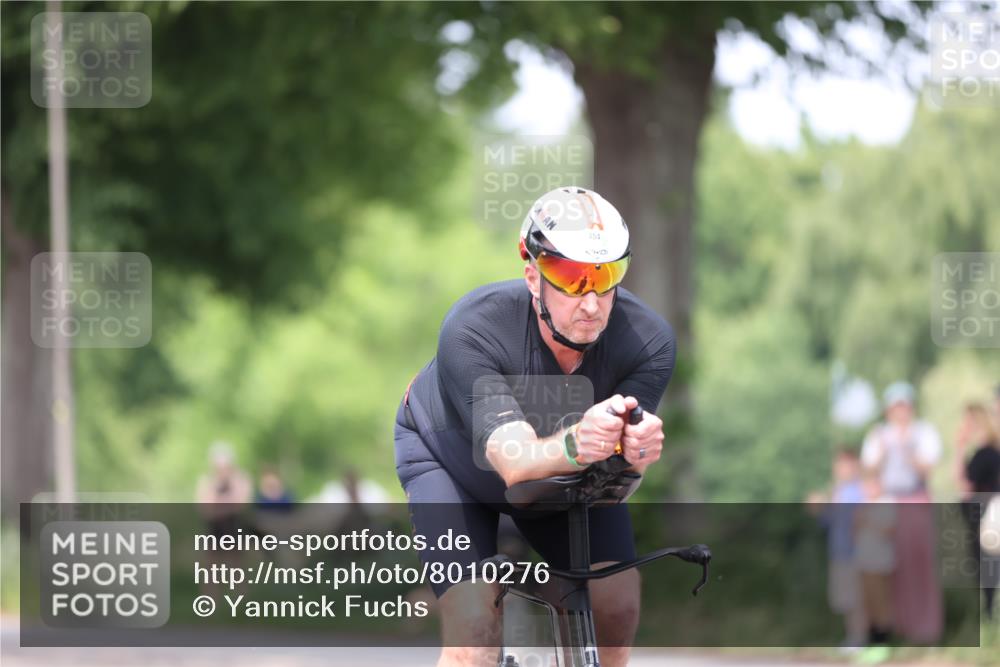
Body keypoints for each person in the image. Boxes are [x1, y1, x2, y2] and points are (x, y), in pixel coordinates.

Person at [394, 187, 673, 667]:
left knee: (618, 603)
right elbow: (514, 461)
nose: (591, 301)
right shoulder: (474, 326)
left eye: (606, 275)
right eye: (570, 276)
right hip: (451, 464)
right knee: (474, 629)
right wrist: (576, 442)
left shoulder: (647, 341)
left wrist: (635, 454)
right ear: (533, 276)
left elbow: (616, 484)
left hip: (564, 474)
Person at [861, 382, 943, 644]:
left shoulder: (924, 432)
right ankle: (888, 629)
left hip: (915, 502)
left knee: (918, 565)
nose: (900, 411)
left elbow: (926, 468)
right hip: (886, 504)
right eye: (896, 406)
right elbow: (869, 473)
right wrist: (885, 451)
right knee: (883, 569)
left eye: (904, 406)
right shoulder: (878, 435)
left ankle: (924, 630)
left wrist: (906, 448)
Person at [808, 449, 866, 649]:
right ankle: (853, 637)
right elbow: (829, 522)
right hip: (839, 551)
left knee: (858, 599)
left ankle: (861, 639)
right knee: (847, 600)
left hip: (856, 552)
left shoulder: (860, 491)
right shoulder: (837, 492)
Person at [953, 402, 1000, 620]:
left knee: (986, 567)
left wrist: (959, 447)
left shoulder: (986, 453)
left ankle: (988, 615)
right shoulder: (989, 452)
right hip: (982, 513)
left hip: (984, 515)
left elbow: (963, 483)